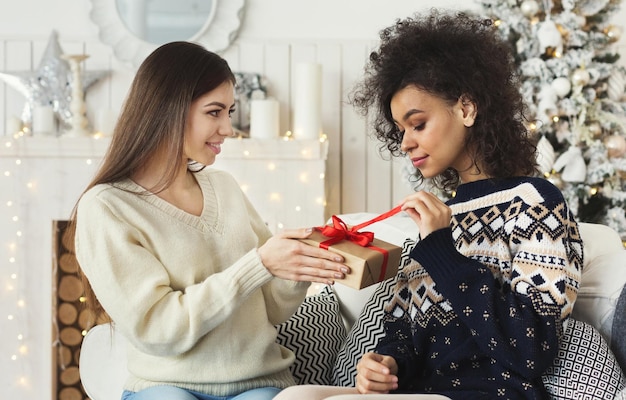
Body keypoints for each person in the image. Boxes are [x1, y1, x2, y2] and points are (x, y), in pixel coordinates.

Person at [275, 9, 583, 400]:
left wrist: (440, 246)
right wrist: (386, 364)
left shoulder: (535, 202)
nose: (404, 143)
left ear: (466, 109)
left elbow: (529, 349)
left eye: (417, 124)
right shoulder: (442, 216)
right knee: (295, 396)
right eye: (400, 130)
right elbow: (407, 333)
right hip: (421, 393)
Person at [68, 41, 350, 400]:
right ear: (167, 109)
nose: (228, 129)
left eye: (229, 112)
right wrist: (258, 264)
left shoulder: (225, 188)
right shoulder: (108, 207)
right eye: (214, 112)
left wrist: (297, 267)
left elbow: (273, 309)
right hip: (164, 386)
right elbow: (156, 329)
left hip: (258, 383)